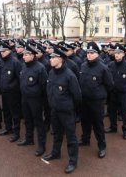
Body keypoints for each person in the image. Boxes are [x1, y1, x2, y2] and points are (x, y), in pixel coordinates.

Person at [43, 46, 82, 174]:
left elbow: (77, 96)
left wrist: (70, 108)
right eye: (51, 57)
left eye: (53, 58)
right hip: (54, 109)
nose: (50, 59)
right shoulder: (52, 72)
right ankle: (56, 153)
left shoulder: (69, 75)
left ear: (61, 59)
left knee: (71, 137)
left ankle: (72, 161)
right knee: (57, 133)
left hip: (66, 111)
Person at [78, 42, 113, 158]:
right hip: (85, 100)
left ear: (97, 54)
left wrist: (101, 95)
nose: (89, 55)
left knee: (98, 124)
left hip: (97, 102)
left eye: (92, 53)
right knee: (85, 121)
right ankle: (85, 139)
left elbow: (109, 85)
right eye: (88, 52)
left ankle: (102, 146)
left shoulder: (103, 68)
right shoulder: (83, 66)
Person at [18, 44, 48, 157]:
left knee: (38, 122)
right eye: (24, 54)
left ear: (32, 55)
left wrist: (42, 100)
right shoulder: (24, 66)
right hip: (25, 97)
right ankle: (29, 138)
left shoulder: (40, 68)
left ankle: (42, 145)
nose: (24, 56)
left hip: (36, 99)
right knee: (27, 119)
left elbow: (44, 86)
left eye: (26, 55)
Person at [105, 43, 126, 140]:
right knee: (112, 111)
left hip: (124, 93)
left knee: (124, 113)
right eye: (115, 52)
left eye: (119, 53)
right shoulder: (110, 65)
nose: (117, 54)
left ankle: (125, 130)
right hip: (113, 93)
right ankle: (113, 127)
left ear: (123, 54)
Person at [0, 41, 22, 143]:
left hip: (13, 92)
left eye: (4, 51)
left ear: (8, 51)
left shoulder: (15, 62)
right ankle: (8, 128)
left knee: (15, 113)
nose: (2, 53)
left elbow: (19, 78)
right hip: (4, 90)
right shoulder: (1, 61)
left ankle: (16, 133)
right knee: (6, 110)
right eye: (1, 51)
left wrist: (13, 87)